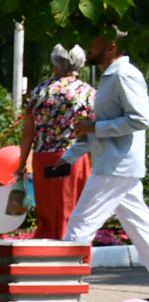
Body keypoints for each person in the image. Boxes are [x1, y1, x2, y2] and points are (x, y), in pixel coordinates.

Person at [51, 28, 149, 267]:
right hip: (118, 165)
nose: (87, 48)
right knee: (142, 230)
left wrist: (95, 127)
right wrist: (70, 157)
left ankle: (62, 284)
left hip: (114, 166)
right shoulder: (110, 76)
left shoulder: (123, 75)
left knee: (79, 225)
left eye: (93, 43)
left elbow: (141, 119)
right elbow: (97, 128)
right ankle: (64, 283)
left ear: (112, 46)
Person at [18, 45, 96, 239]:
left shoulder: (40, 92)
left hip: (43, 158)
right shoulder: (87, 93)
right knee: (72, 212)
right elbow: (96, 129)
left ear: (55, 65)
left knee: (46, 214)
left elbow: (28, 133)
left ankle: (46, 250)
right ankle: (72, 251)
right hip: (74, 158)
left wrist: (21, 165)